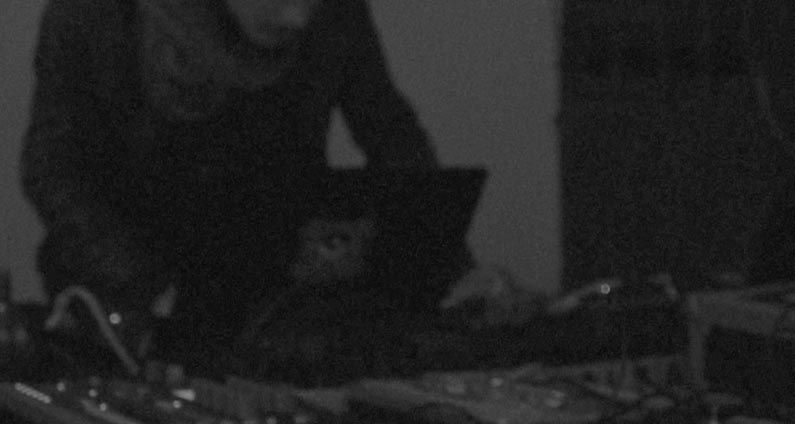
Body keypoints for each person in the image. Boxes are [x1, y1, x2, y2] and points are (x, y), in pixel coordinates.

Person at [21, 0, 528, 373]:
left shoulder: (334, 14)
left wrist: (449, 268)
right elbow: (52, 165)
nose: (300, 18)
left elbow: (392, 137)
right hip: (133, 299)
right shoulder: (93, 15)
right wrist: (150, 288)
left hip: (273, 296)